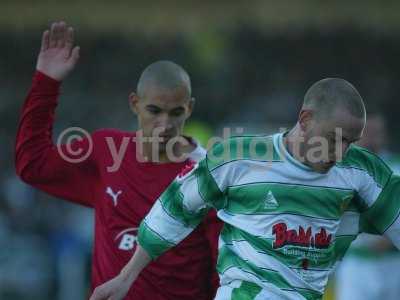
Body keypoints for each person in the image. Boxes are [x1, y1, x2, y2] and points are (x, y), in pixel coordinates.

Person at [90, 78, 400, 300]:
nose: (342, 152)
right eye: (334, 138)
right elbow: (175, 207)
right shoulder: (238, 157)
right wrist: (126, 277)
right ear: (305, 119)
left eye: (350, 141)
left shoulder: (363, 171)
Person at [15, 21, 222, 299]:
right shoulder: (105, 153)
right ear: (134, 103)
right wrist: (46, 82)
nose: (165, 123)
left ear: (190, 109)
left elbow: (223, 267)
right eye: (154, 110)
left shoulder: (208, 176)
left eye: (176, 113)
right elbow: (33, 165)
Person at [335, 114, 400, 300]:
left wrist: (390, 237)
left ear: (384, 135)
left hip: (394, 263)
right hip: (355, 263)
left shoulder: (397, 166)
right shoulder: (339, 168)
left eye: (376, 133)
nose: (372, 139)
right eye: (366, 133)